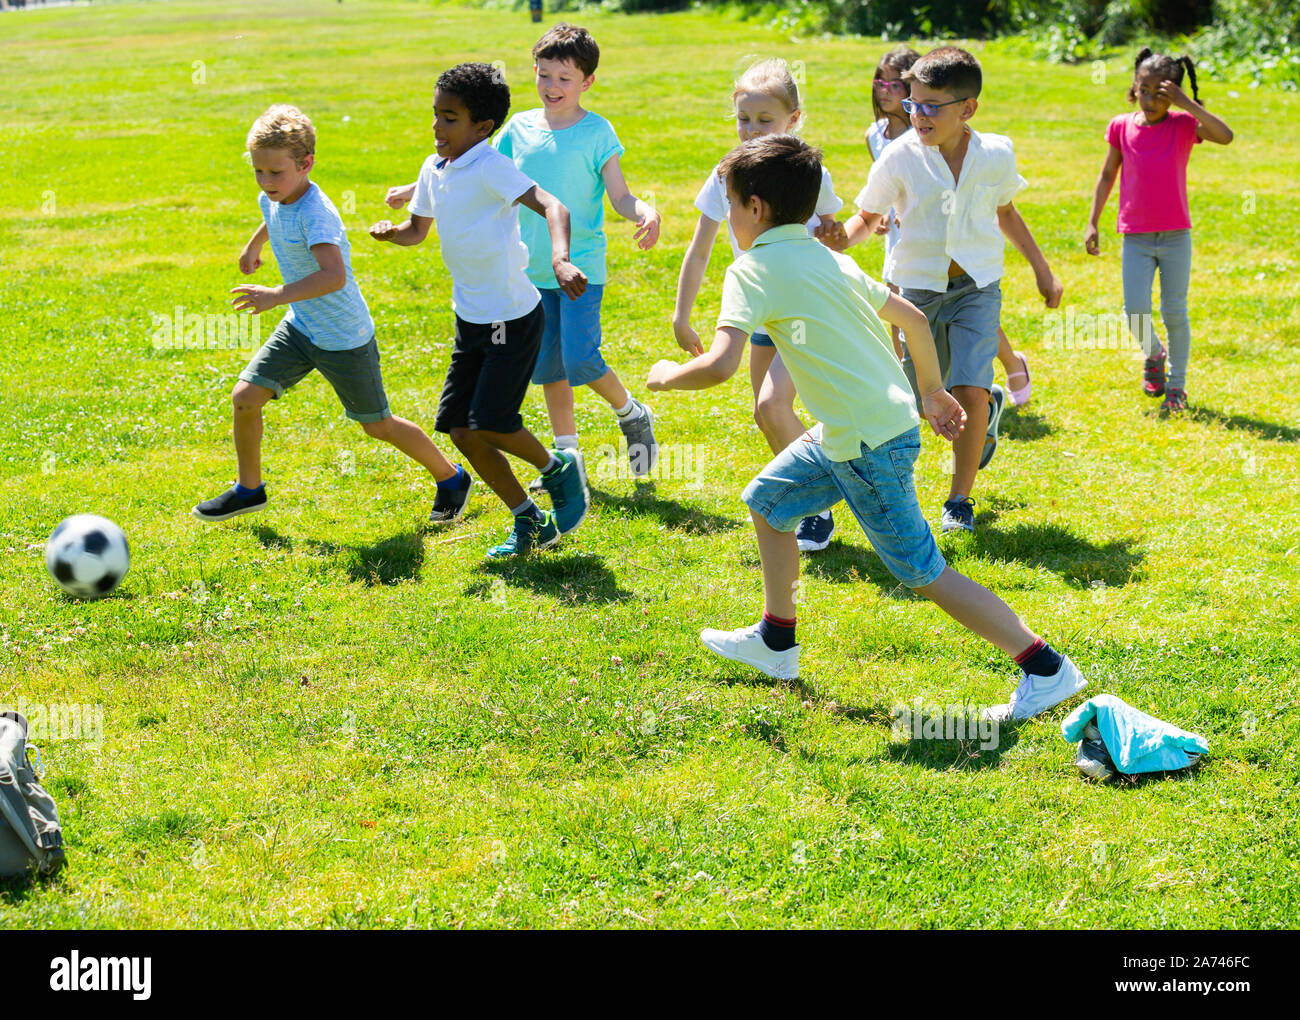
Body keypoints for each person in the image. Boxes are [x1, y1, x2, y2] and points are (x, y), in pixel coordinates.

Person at [648, 134, 1088, 723]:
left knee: (921, 571)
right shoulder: (828, 256)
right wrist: (931, 390)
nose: (728, 217)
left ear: (754, 208)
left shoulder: (751, 270)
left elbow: (723, 365)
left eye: (729, 204)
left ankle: (1046, 667)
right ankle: (777, 643)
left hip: (866, 444)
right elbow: (908, 315)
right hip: (862, 427)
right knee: (768, 501)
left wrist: (669, 376)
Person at [388, 24, 660, 491]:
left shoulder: (598, 132)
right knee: (549, 368)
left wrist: (644, 210)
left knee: (581, 360)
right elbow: (473, 163)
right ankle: (566, 453)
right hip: (527, 271)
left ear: (587, 82)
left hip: (579, 265)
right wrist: (417, 188)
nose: (553, 87)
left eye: (565, 79)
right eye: (545, 75)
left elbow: (619, 196)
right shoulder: (517, 128)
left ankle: (631, 412)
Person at [193, 105, 468, 525]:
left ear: (306, 164)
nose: (267, 182)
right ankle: (249, 489)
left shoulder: (317, 213)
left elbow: (333, 276)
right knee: (245, 398)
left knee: (377, 425)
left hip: (342, 336)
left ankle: (451, 479)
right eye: (259, 172)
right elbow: (273, 212)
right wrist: (255, 246)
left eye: (275, 173)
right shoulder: (279, 195)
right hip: (302, 326)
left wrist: (275, 295)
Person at [369, 63, 589, 558]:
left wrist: (559, 258)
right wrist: (393, 233)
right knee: (463, 430)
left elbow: (555, 206)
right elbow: (417, 231)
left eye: (449, 118)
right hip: (471, 320)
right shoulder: (434, 169)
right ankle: (528, 520)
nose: (436, 127)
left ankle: (557, 468)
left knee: (492, 420)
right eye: (435, 115)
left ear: (483, 127)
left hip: (510, 318)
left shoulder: (490, 165)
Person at [841, 46, 1062, 535]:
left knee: (967, 387)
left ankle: (959, 500)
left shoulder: (996, 153)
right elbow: (868, 216)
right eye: (914, 103)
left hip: (977, 287)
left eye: (931, 106)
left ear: (968, 109)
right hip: (915, 290)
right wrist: (842, 237)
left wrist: (1042, 270)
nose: (918, 115)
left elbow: (1006, 212)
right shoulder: (900, 156)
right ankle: (984, 414)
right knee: (917, 397)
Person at [672, 57, 844, 553]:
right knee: (765, 413)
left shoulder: (807, 172)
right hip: (762, 311)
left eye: (764, 121)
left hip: (808, 310)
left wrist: (837, 241)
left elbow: (833, 233)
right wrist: (682, 315)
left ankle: (819, 501)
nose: (750, 131)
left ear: (793, 118)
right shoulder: (726, 173)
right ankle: (814, 496)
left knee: (774, 403)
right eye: (744, 119)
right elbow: (701, 245)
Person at [1084, 48, 1233, 413]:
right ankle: (1154, 354)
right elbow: (1107, 175)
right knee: (1134, 310)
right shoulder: (1121, 125)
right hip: (1135, 235)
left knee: (1174, 313)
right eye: (1144, 90)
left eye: (1160, 93)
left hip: (1176, 237)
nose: (1150, 100)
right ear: (1134, 88)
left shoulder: (1183, 125)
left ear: (1173, 94)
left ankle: (1177, 386)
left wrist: (1186, 103)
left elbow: (1226, 135)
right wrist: (1092, 221)